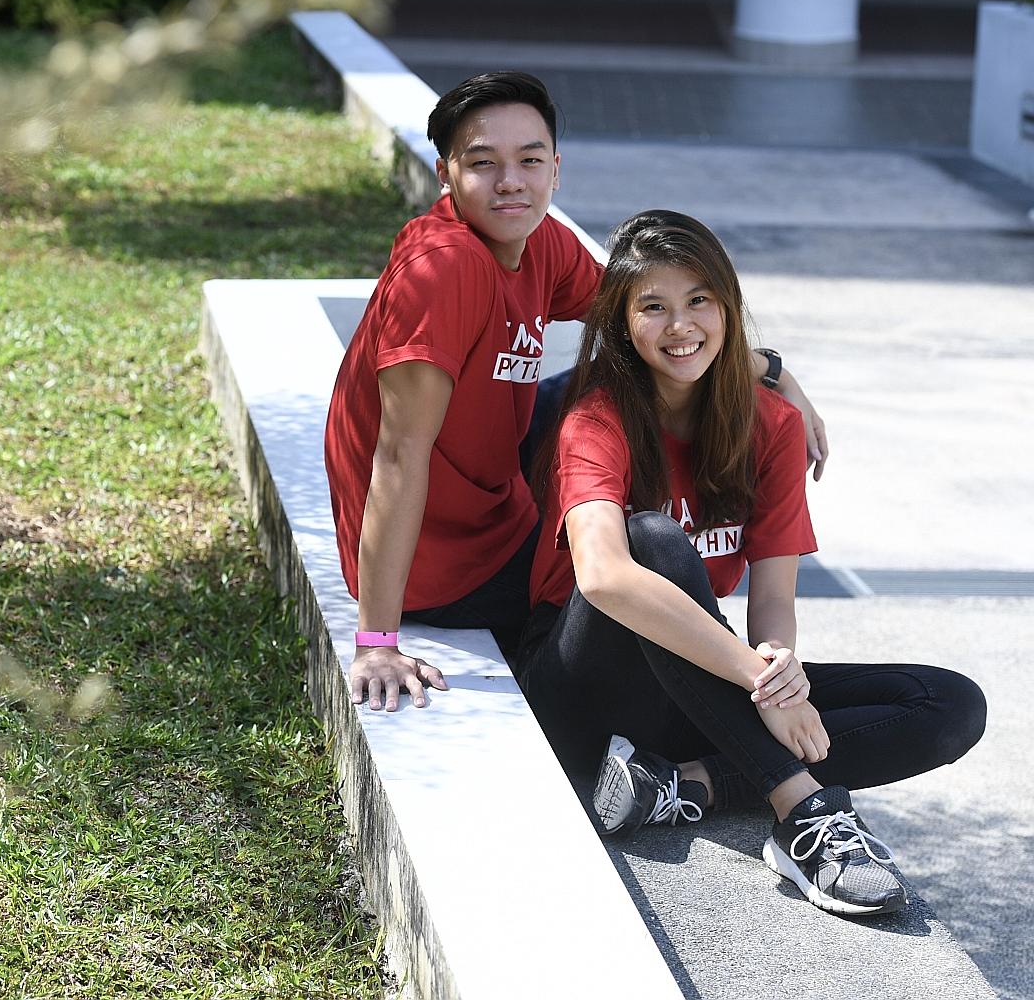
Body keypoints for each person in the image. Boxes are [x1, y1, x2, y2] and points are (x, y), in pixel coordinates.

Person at [521, 209, 986, 916]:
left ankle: (687, 784)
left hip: (696, 689)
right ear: (622, 324)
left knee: (950, 704)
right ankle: (802, 817)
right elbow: (604, 572)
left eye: (698, 301)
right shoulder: (597, 418)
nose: (681, 326)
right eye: (654, 307)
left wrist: (777, 666)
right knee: (651, 540)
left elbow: (772, 601)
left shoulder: (771, 426)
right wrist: (759, 680)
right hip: (583, 687)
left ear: (729, 310)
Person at [323, 71, 827, 712]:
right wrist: (375, 641)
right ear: (446, 174)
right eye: (483, 163)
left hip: (501, 508)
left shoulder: (538, 241)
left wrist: (768, 371)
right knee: (643, 574)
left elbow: (648, 323)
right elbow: (397, 455)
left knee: (620, 384)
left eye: (529, 161)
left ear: (555, 169)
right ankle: (725, 691)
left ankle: (702, 630)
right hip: (447, 565)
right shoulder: (442, 270)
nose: (511, 181)